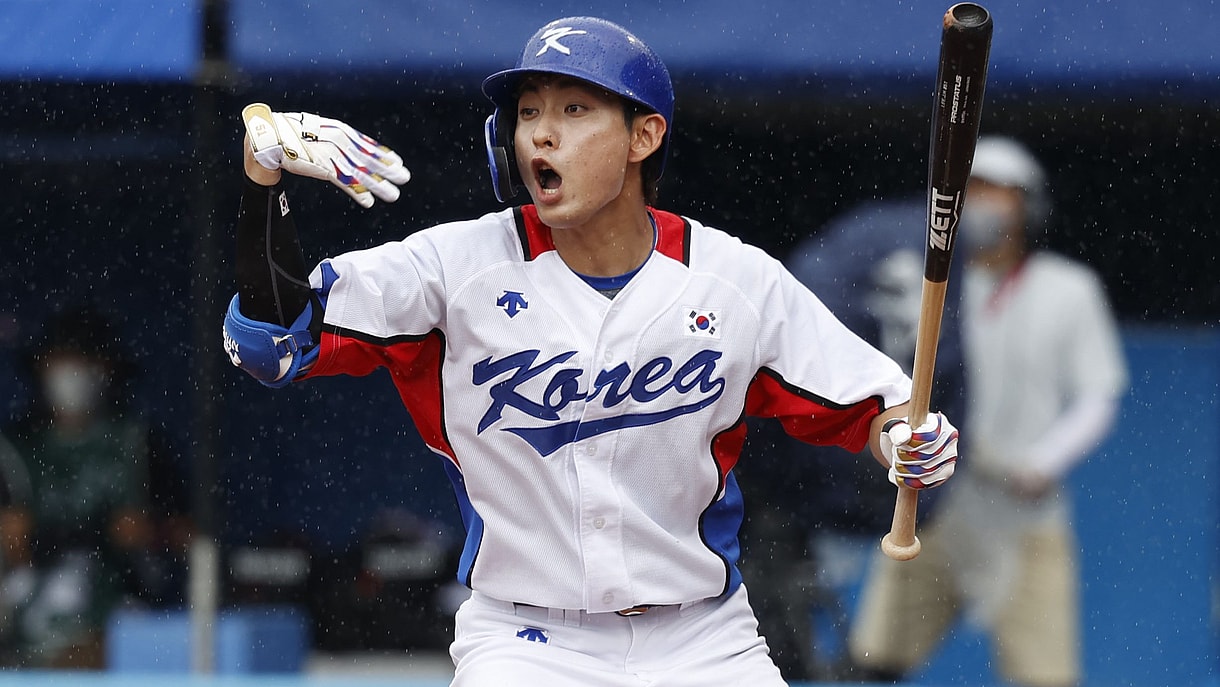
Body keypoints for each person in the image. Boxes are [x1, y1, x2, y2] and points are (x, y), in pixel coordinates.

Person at [222, 16, 960, 686]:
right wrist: (264, 181)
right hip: (525, 639)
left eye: (574, 110)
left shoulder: (733, 279)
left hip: (704, 638)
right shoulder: (452, 269)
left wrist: (908, 440)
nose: (542, 133)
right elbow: (271, 339)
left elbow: (880, 405)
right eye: (530, 112)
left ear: (644, 136)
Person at [847, 137, 1129, 687]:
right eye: (973, 190)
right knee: (872, 665)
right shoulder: (921, 285)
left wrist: (1043, 462)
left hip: (1024, 517)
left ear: (1030, 207)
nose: (985, 203)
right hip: (935, 507)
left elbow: (1099, 396)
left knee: (1045, 677)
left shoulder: (1069, 288)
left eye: (1001, 191)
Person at [736, 196, 969, 681]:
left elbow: (900, 409)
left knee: (866, 657)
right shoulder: (803, 285)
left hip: (908, 489)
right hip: (769, 499)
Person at [0, 304, 192, 667]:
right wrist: (16, 537)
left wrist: (152, 533)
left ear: (109, 369)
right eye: (61, 360)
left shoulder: (140, 442)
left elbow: (193, 536)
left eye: (85, 360)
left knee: (110, 645)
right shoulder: (14, 447)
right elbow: (12, 539)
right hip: (30, 597)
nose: (71, 373)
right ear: (41, 368)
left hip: (122, 596)